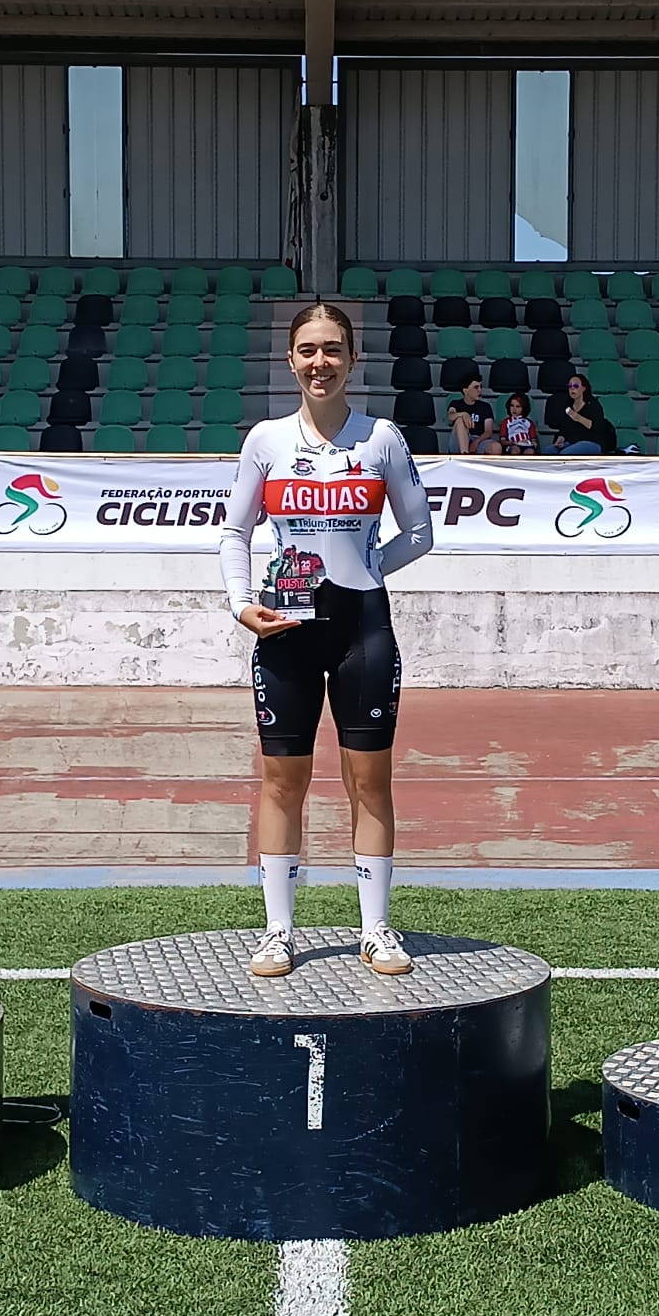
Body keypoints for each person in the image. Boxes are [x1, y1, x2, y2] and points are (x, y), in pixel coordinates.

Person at [218, 302, 435, 978]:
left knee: (369, 780)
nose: (321, 362)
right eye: (309, 350)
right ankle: (278, 932)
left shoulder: (382, 439)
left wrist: (368, 572)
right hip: (284, 630)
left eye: (333, 349)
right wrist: (242, 605)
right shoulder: (266, 440)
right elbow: (233, 532)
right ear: (291, 359)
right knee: (282, 780)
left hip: (361, 630)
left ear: (351, 358)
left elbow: (421, 532)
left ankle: (375, 929)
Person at [549, 374, 614, 454]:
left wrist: (578, 418)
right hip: (572, 442)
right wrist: (561, 438)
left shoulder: (593, 405)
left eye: (576, 385)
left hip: (592, 442)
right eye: (570, 386)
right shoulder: (567, 406)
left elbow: (598, 427)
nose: (572, 388)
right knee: (550, 450)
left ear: (584, 388)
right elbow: (564, 428)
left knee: (565, 454)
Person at [447, 373, 499, 455]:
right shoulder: (456, 404)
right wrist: (463, 414)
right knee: (459, 420)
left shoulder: (485, 407)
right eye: (476, 387)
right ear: (465, 390)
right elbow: (450, 416)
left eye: (480, 387)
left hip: (479, 439)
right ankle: (464, 455)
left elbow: (488, 431)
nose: (479, 390)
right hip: (459, 440)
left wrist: (477, 441)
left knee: (496, 447)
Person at [501, 391, 538, 456]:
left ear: (523, 408)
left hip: (527, 445)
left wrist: (528, 442)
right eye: (512, 406)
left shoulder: (529, 423)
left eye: (518, 407)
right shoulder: (506, 422)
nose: (514, 409)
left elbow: (534, 442)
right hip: (512, 445)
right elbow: (502, 441)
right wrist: (514, 442)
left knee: (530, 452)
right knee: (515, 450)